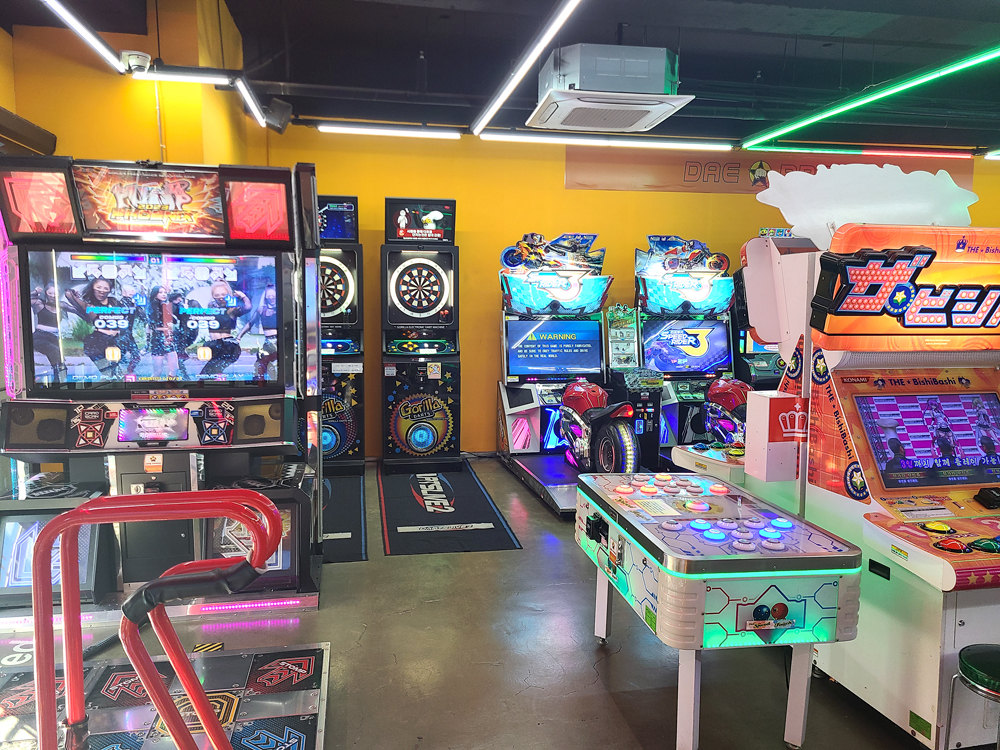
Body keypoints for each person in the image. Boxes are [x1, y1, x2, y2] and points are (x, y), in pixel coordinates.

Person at [63, 277, 130, 378]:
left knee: (119, 371)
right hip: (99, 340)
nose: (102, 291)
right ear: (92, 288)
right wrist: (76, 295)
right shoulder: (90, 305)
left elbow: (125, 315)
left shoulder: (114, 301)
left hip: (117, 339)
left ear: (109, 290)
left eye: (105, 288)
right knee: (107, 372)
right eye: (98, 287)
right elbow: (68, 294)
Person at [199, 281, 251, 377]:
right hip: (214, 346)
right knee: (211, 373)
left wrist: (242, 296)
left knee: (206, 374)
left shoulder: (231, 309)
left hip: (227, 346)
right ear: (213, 296)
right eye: (217, 295)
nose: (220, 297)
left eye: (223, 294)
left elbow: (248, 307)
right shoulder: (211, 308)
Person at [236, 285, 279, 381]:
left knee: (270, 363)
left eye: (273, 295)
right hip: (268, 342)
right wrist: (239, 337)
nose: (271, 298)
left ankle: (275, 381)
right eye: (269, 296)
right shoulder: (261, 310)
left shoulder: (281, 309)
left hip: (279, 341)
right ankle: (261, 383)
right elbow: (250, 323)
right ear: (266, 297)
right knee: (260, 364)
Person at [29, 282, 66, 381]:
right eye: (50, 293)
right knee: (54, 351)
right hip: (40, 336)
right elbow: (22, 299)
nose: (53, 296)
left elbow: (78, 309)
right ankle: (57, 377)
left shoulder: (61, 305)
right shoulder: (40, 304)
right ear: (46, 293)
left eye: (55, 293)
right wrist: (35, 292)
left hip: (53, 337)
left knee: (59, 358)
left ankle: (59, 379)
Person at [147, 286, 178, 379]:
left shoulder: (166, 306)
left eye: (165, 292)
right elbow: (152, 325)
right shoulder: (152, 307)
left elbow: (174, 321)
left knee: (174, 368)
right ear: (155, 294)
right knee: (158, 371)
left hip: (168, 338)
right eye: (160, 292)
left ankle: (170, 386)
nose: (163, 294)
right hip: (158, 339)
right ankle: (150, 386)